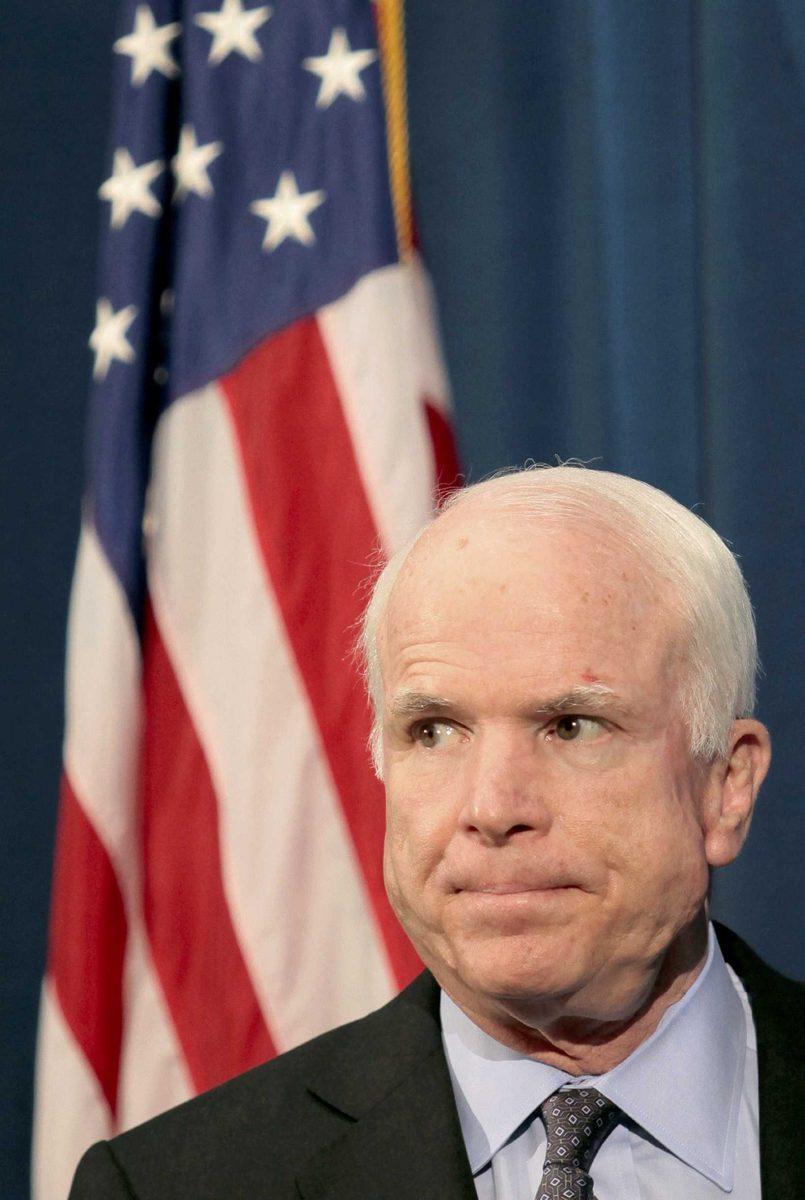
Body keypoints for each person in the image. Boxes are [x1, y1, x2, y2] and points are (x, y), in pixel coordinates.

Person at [70, 466, 802, 1199]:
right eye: (434, 731)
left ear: (725, 786)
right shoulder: (169, 1184)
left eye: (571, 727)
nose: (490, 806)